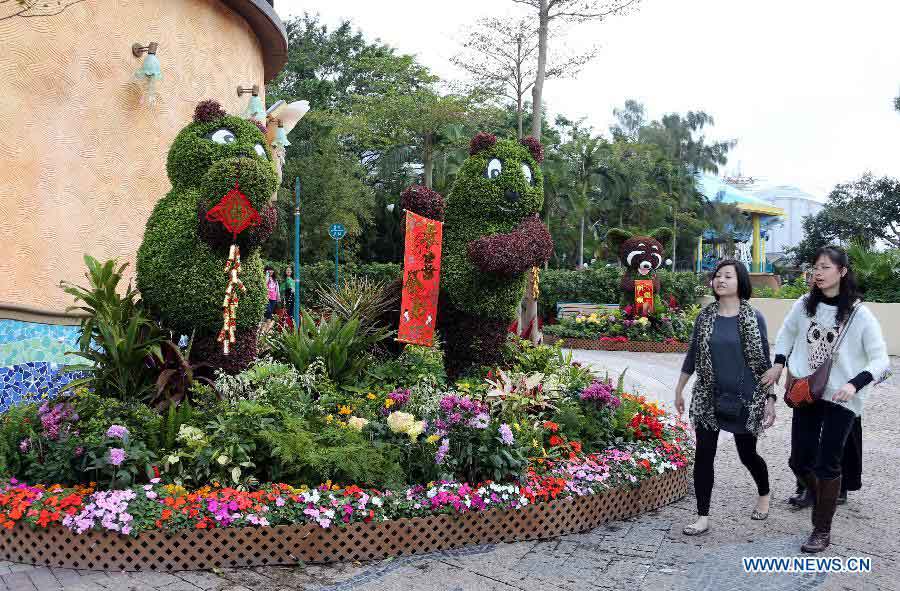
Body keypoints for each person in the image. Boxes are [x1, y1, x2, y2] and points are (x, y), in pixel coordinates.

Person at [762, 246, 889, 553]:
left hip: (842, 397)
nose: (818, 273)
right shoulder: (805, 304)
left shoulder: (860, 314)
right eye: (815, 267)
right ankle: (821, 497)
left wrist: (854, 384)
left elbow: (881, 360)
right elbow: (787, 334)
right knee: (799, 460)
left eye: (825, 267)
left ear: (842, 272)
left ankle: (821, 529)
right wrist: (779, 362)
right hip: (808, 390)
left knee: (828, 463)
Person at [675, 259, 776, 536]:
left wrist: (770, 398)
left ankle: (764, 493)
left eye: (727, 276)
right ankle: (702, 516)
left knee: (747, 454)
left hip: (746, 398)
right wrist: (680, 388)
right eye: (717, 276)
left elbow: (764, 362)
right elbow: (693, 355)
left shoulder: (754, 317)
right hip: (708, 397)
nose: (720, 280)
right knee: (704, 455)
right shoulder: (705, 316)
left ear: (740, 282)